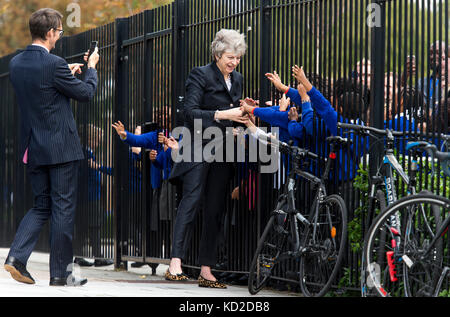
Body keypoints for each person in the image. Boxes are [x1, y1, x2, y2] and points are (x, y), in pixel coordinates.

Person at [4, 8, 99, 286]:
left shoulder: (17, 64)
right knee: (63, 209)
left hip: (34, 147)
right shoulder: (54, 64)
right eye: (59, 31)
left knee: (41, 205)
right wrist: (91, 69)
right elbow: (86, 93)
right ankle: (61, 274)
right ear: (49, 33)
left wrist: (64, 74)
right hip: (61, 149)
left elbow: (41, 89)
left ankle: (16, 258)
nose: (59, 36)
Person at [167, 29, 248, 288]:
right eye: (229, 57)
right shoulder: (200, 74)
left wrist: (243, 116)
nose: (233, 62)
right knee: (190, 202)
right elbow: (189, 113)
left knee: (215, 209)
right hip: (198, 147)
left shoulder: (238, 79)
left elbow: (236, 114)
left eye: (237, 57)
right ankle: (175, 262)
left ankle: (206, 268)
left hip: (224, 151)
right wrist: (224, 116)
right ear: (216, 54)